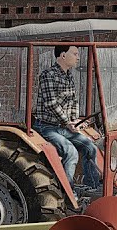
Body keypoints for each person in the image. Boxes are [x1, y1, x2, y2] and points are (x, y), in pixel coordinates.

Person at [32, 44, 102, 197]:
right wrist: (67, 122)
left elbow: (72, 100)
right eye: (75, 54)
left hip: (63, 127)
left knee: (90, 147)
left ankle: (92, 187)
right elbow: (51, 103)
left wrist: (74, 119)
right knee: (70, 152)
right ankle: (67, 193)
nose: (78, 57)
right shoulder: (48, 75)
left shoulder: (68, 75)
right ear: (63, 55)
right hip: (46, 127)